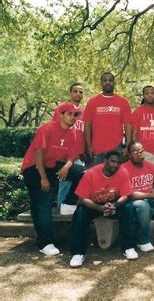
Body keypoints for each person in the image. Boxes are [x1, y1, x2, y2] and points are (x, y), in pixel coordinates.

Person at [21, 103, 86, 256]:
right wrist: (43, 178)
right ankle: (44, 243)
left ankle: (68, 203)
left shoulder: (73, 132)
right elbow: (38, 154)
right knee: (43, 202)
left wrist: (67, 167)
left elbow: (72, 156)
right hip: (34, 168)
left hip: (52, 166)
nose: (73, 117)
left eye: (75, 115)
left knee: (84, 173)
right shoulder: (47, 128)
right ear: (61, 114)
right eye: (70, 114)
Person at [70, 151, 138, 268]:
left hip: (113, 203)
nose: (115, 165)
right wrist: (100, 208)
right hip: (93, 204)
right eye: (112, 161)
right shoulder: (91, 173)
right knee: (80, 213)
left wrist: (115, 205)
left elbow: (125, 195)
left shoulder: (122, 172)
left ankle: (128, 247)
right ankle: (78, 253)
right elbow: (82, 198)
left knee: (128, 209)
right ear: (105, 160)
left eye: (118, 162)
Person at [83, 72, 132, 166]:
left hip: (116, 148)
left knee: (116, 179)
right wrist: (88, 146)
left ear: (114, 83)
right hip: (96, 149)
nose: (107, 82)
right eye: (105, 80)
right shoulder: (92, 101)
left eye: (110, 80)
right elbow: (87, 124)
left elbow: (128, 125)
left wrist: (127, 146)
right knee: (95, 179)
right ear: (101, 83)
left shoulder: (123, 102)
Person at [52, 83, 86, 214]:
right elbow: (56, 129)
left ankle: (70, 210)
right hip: (65, 154)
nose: (78, 94)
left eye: (81, 92)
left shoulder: (85, 111)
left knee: (79, 184)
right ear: (70, 93)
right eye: (75, 91)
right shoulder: (61, 108)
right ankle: (61, 212)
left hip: (78, 155)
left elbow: (85, 132)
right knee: (65, 183)